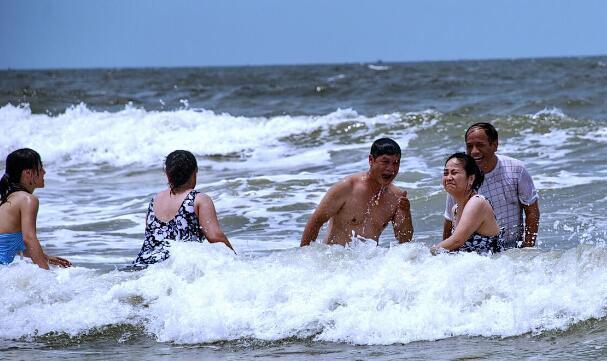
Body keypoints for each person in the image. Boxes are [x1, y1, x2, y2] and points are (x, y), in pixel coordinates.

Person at [300, 138, 413, 247]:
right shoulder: (347, 188)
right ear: (371, 160)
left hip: (367, 263)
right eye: (385, 162)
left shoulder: (397, 197)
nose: (391, 169)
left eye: (396, 163)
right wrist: (304, 259)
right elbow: (316, 222)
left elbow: (404, 240)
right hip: (335, 262)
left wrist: (405, 213)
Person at [442, 123, 540, 249]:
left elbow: (532, 211)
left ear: (494, 145)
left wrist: (527, 249)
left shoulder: (516, 169)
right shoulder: (462, 178)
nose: (474, 151)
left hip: (513, 247)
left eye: (480, 145)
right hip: (477, 251)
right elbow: (450, 222)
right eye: (469, 146)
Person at [133, 150, 235, 267]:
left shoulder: (154, 201)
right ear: (195, 172)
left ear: (167, 174)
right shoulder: (198, 199)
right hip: (177, 267)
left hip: (143, 265)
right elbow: (215, 236)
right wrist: (235, 260)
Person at [0, 148, 71, 269]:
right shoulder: (28, 200)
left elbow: (6, 243)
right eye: (40, 168)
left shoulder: (5, 200)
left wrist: (45, 257)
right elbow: (29, 238)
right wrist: (46, 275)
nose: (44, 172)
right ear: (28, 173)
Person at [432, 152, 502, 255]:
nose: (448, 178)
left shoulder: (477, 202)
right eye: (446, 173)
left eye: (454, 173)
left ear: (471, 179)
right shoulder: (455, 209)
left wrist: (429, 253)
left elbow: (457, 240)